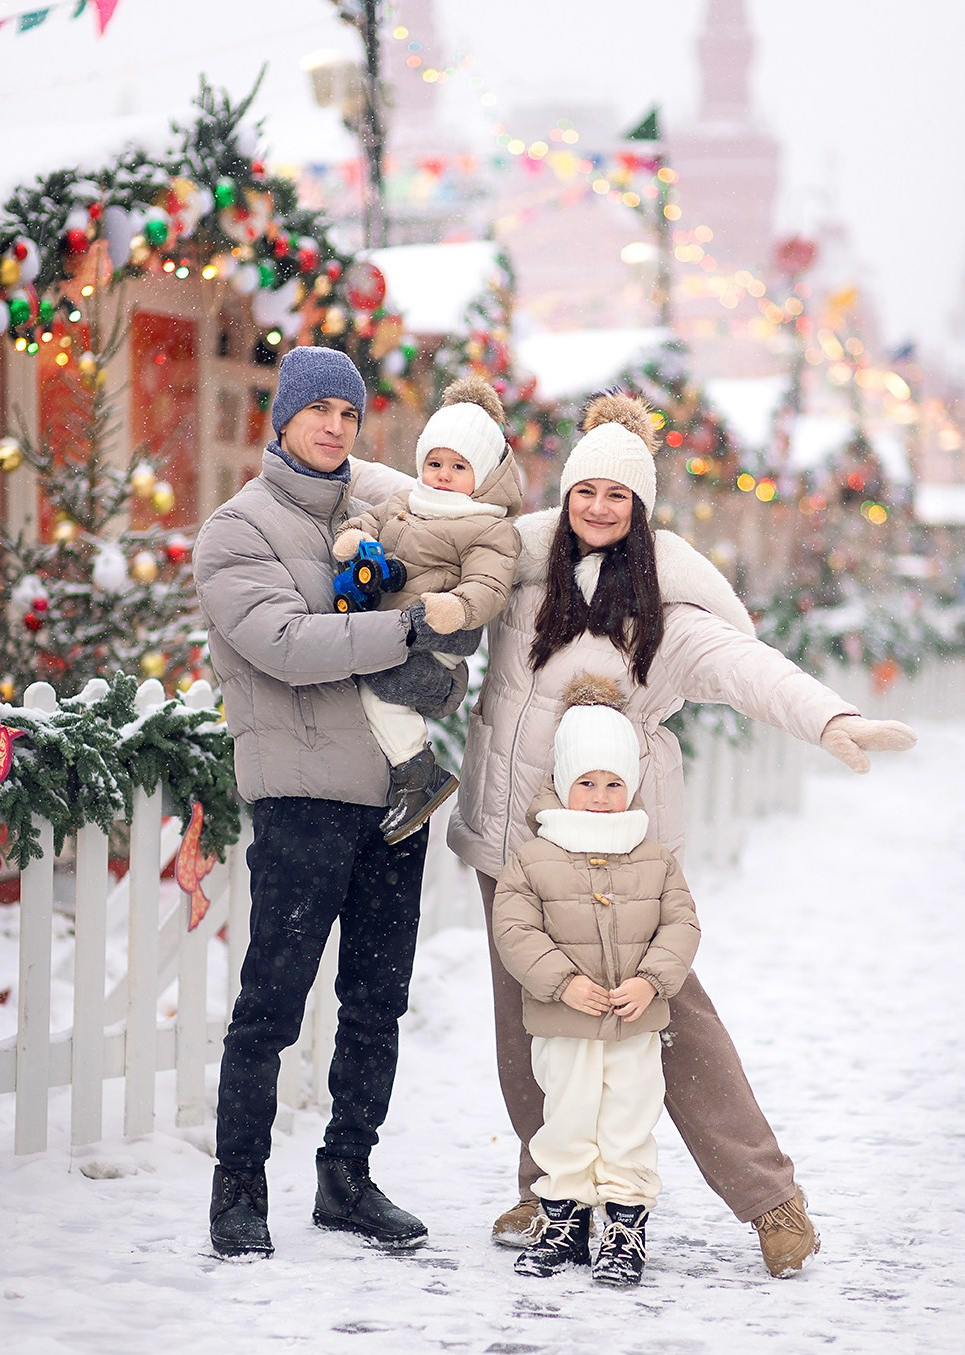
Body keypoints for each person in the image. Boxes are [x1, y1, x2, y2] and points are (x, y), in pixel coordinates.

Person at [447, 391, 917, 1277]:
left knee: (672, 1025)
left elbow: (746, 670)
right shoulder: (514, 574)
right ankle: (551, 1188)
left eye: (616, 496)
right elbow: (424, 518)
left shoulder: (664, 607)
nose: (596, 508)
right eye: (585, 489)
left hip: (617, 856)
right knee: (531, 1025)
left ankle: (772, 1202)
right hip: (514, 842)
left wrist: (830, 719)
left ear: (640, 508)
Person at [193, 345, 471, 1259]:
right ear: (282, 420)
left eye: (349, 416)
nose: (334, 428)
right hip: (303, 797)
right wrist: (405, 632)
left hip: (395, 800)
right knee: (271, 1005)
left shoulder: (374, 510)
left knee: (376, 1000)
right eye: (317, 412)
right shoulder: (237, 530)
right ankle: (238, 1190)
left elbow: (456, 502)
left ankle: (347, 1176)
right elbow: (284, 642)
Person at [492, 675, 701, 1286]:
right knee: (568, 1116)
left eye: (614, 784)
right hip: (566, 1022)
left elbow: (680, 923)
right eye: (588, 782)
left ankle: (625, 1228)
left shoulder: (652, 856)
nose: (603, 796)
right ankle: (562, 1218)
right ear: (562, 784)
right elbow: (516, 931)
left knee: (630, 1118)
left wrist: (652, 982)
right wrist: (561, 982)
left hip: (634, 1022)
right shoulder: (533, 858)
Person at [332, 376, 523, 845]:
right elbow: (369, 520)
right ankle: (399, 773)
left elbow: (489, 584)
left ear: (484, 476)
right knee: (363, 688)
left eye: (458, 466)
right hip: (387, 629)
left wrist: (456, 607)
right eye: (435, 462)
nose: (442, 474)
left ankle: (417, 773)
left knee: (380, 690)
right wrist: (358, 534)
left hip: (434, 639)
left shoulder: (487, 526)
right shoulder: (405, 501)